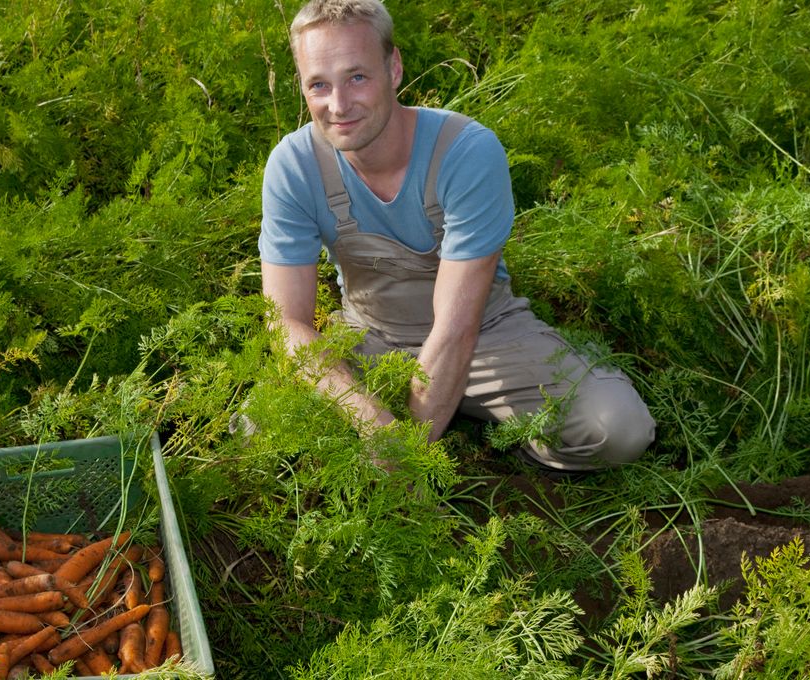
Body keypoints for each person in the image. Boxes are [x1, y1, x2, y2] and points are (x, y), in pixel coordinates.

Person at [258, 0, 655, 472]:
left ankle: (505, 444)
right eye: (318, 85)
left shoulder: (465, 151)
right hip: (370, 337)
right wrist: (367, 418)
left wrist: (407, 460)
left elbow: (457, 327)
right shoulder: (294, 166)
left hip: (487, 335)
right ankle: (448, 420)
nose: (338, 105)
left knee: (619, 428)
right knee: (257, 431)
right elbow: (286, 322)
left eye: (357, 77)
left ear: (394, 67)